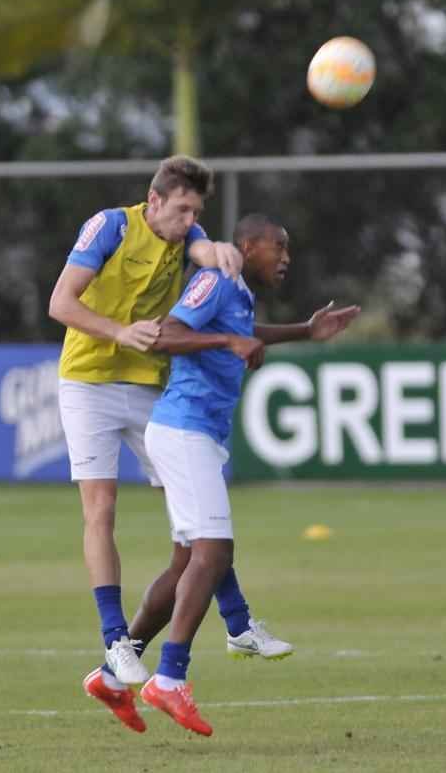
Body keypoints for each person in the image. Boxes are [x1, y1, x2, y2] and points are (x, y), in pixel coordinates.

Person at [47, 157, 297, 733]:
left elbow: (208, 255)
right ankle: (116, 642)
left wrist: (221, 254)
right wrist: (116, 331)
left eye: (196, 213)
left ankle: (229, 628)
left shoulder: (192, 238)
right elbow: (60, 303)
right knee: (102, 508)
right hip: (86, 382)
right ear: (153, 201)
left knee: (192, 533)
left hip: (143, 389)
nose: (188, 221)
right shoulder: (110, 226)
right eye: (181, 209)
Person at [132, 214, 360, 736]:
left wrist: (305, 330)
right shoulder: (216, 279)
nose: (286, 258)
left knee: (194, 558)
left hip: (198, 433)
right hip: (182, 428)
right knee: (212, 552)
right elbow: (167, 334)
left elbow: (242, 333)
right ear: (247, 245)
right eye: (278, 247)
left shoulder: (240, 295)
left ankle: (120, 662)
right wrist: (228, 345)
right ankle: (171, 676)